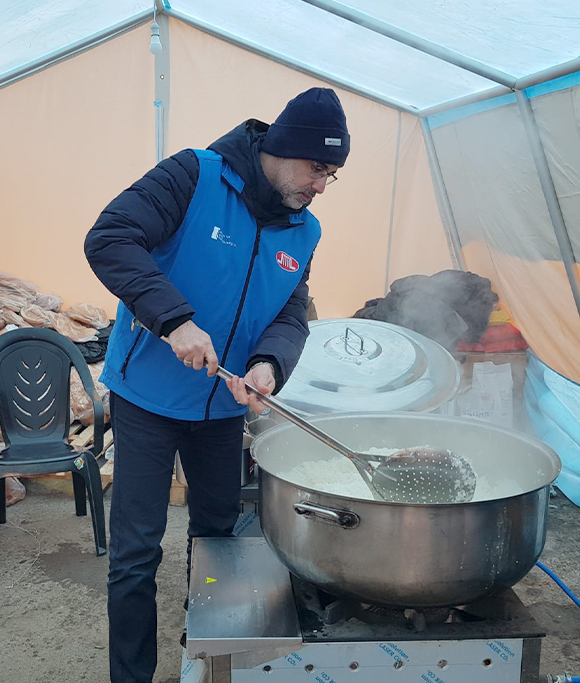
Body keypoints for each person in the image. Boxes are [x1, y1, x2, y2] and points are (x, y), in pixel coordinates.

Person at [84, 87, 350, 683]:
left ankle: (201, 661)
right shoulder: (193, 175)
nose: (321, 186)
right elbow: (110, 238)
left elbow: (290, 311)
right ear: (284, 149)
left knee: (218, 543)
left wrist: (270, 365)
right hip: (148, 399)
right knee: (135, 554)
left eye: (333, 175)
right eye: (318, 169)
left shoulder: (303, 232)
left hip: (225, 409)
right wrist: (173, 319)